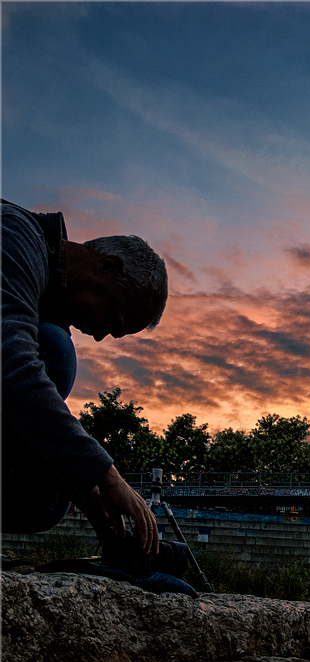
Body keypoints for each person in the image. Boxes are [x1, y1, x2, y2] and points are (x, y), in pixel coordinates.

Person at [2, 200, 167, 556]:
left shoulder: (44, 296)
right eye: (111, 319)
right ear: (106, 266)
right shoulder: (13, 235)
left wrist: (91, 492)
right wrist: (106, 474)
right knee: (53, 350)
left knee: (51, 498)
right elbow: (9, 365)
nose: (97, 335)